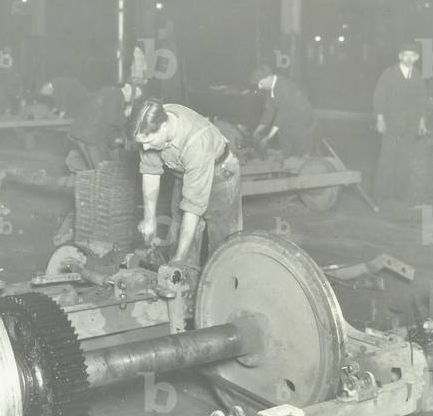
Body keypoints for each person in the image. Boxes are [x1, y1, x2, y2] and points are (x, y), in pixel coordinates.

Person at [131, 99, 242, 269]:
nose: (145, 148)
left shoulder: (197, 141)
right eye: (141, 143)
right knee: (178, 234)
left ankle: (225, 280)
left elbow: (192, 208)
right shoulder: (150, 120)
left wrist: (179, 260)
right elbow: (150, 172)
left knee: (224, 242)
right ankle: (184, 280)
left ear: (164, 127)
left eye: (149, 141)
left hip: (220, 172)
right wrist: (149, 219)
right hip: (185, 173)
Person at [372, 44, 428, 203]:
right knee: (386, 159)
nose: (409, 59)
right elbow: (379, 96)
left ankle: (401, 194)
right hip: (391, 123)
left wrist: (422, 121)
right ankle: (379, 195)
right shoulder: (389, 74)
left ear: (416, 58)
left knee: (405, 159)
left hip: (410, 124)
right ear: (400, 56)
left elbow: (422, 100)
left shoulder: (417, 75)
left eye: (412, 56)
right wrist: (380, 119)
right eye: (406, 55)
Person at [66, 80, 142, 172]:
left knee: (79, 159)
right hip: (90, 135)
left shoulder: (110, 91)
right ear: (127, 87)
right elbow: (112, 119)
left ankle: (79, 175)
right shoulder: (117, 96)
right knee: (101, 167)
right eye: (135, 95)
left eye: (136, 98)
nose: (133, 99)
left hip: (80, 131)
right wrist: (125, 114)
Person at [250, 66, 316, 157]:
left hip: (303, 122)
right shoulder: (270, 90)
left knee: (299, 156)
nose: (259, 87)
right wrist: (257, 132)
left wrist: (268, 138)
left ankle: (301, 157)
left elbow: (282, 115)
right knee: (285, 150)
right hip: (289, 121)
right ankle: (286, 158)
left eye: (261, 83)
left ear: (268, 77)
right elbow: (269, 112)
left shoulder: (284, 86)